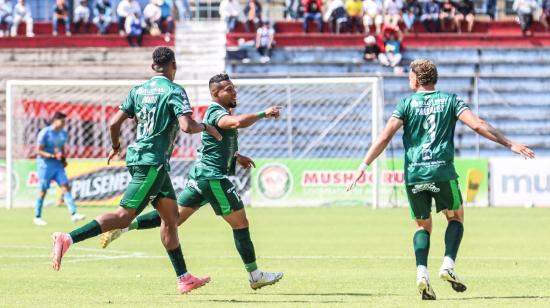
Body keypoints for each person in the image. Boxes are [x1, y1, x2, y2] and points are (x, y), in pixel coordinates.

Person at [347, 59, 535, 300]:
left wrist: (364, 165)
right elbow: (477, 125)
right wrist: (510, 143)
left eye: (409, 76)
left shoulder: (405, 104)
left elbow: (385, 136)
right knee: (455, 217)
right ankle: (447, 265)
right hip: (442, 172)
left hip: (415, 174)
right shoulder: (450, 100)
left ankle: (421, 274)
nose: (408, 80)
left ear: (416, 79)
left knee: (422, 225)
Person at [50, 47, 223, 295]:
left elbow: (114, 123)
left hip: (147, 160)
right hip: (151, 162)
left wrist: (116, 147)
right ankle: (67, 238)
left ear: (154, 67)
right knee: (123, 217)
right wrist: (207, 127)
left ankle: (184, 278)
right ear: (173, 65)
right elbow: (187, 126)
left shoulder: (138, 91)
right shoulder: (175, 91)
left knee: (171, 218)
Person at [100, 73, 284, 291]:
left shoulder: (220, 111)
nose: (234, 91)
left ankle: (124, 226)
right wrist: (264, 113)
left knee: (173, 219)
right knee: (240, 223)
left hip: (200, 176)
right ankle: (255, 275)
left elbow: (218, 142)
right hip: (212, 177)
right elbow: (234, 123)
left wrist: (236, 156)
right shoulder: (216, 111)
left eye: (233, 87)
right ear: (216, 93)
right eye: (228, 89)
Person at [34, 112, 86, 226]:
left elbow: (61, 147)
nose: (64, 124)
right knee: (43, 191)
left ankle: (74, 214)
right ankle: (37, 216)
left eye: (65, 122)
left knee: (65, 186)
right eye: (62, 121)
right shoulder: (45, 133)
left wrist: (63, 159)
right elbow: (38, 151)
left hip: (57, 165)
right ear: (55, 121)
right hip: (45, 165)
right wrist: (53, 156)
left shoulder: (63, 133)